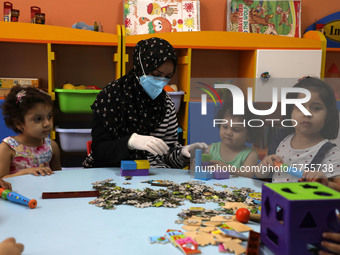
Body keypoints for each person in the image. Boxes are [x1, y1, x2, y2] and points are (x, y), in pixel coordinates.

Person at [83, 37, 207, 168]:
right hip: (114, 171)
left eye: (168, 76)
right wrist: (130, 142)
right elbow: (100, 151)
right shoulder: (111, 96)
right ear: (141, 67)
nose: (161, 81)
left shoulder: (166, 104)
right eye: (156, 73)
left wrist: (183, 153)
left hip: (154, 176)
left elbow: (168, 155)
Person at [258, 77, 340, 188]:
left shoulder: (330, 152)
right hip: (274, 202)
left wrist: (325, 183)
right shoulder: (280, 140)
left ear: (328, 115)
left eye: (316, 108)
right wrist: (265, 165)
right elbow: (259, 175)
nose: (306, 113)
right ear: (290, 111)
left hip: (306, 205)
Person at [0, 85, 61, 179]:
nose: (47, 123)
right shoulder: (7, 148)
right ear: (19, 124)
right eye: (38, 119)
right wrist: (26, 172)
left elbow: (59, 177)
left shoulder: (52, 146)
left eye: (49, 116)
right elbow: (1, 180)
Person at [208, 93, 259, 178]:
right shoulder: (210, 150)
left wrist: (227, 168)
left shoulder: (250, 154)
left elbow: (248, 174)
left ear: (249, 134)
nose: (228, 132)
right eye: (225, 127)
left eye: (236, 130)